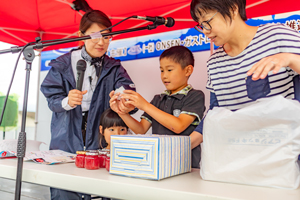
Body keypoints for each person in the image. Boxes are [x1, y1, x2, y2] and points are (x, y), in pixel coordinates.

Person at [40, 10, 136, 200]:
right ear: (81, 35)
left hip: (99, 137)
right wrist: (67, 101)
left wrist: (123, 100)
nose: (102, 42)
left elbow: (128, 91)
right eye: (95, 36)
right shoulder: (62, 64)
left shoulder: (113, 67)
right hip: (65, 137)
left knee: (101, 188)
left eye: (107, 37)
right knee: (63, 189)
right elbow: (51, 98)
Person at [189, 0, 300, 145]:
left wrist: (290, 59)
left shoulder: (276, 36)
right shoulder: (214, 63)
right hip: (242, 155)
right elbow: (213, 113)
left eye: (207, 22)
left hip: (285, 153)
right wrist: (181, 147)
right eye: (201, 25)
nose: (205, 31)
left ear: (233, 9)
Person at [110, 46, 206, 168]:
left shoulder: (195, 96)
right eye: (161, 70)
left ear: (188, 70)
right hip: (159, 164)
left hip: (186, 166)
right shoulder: (157, 99)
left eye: (169, 70)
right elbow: (141, 129)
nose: (164, 76)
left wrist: (145, 105)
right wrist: (121, 112)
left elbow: (178, 126)